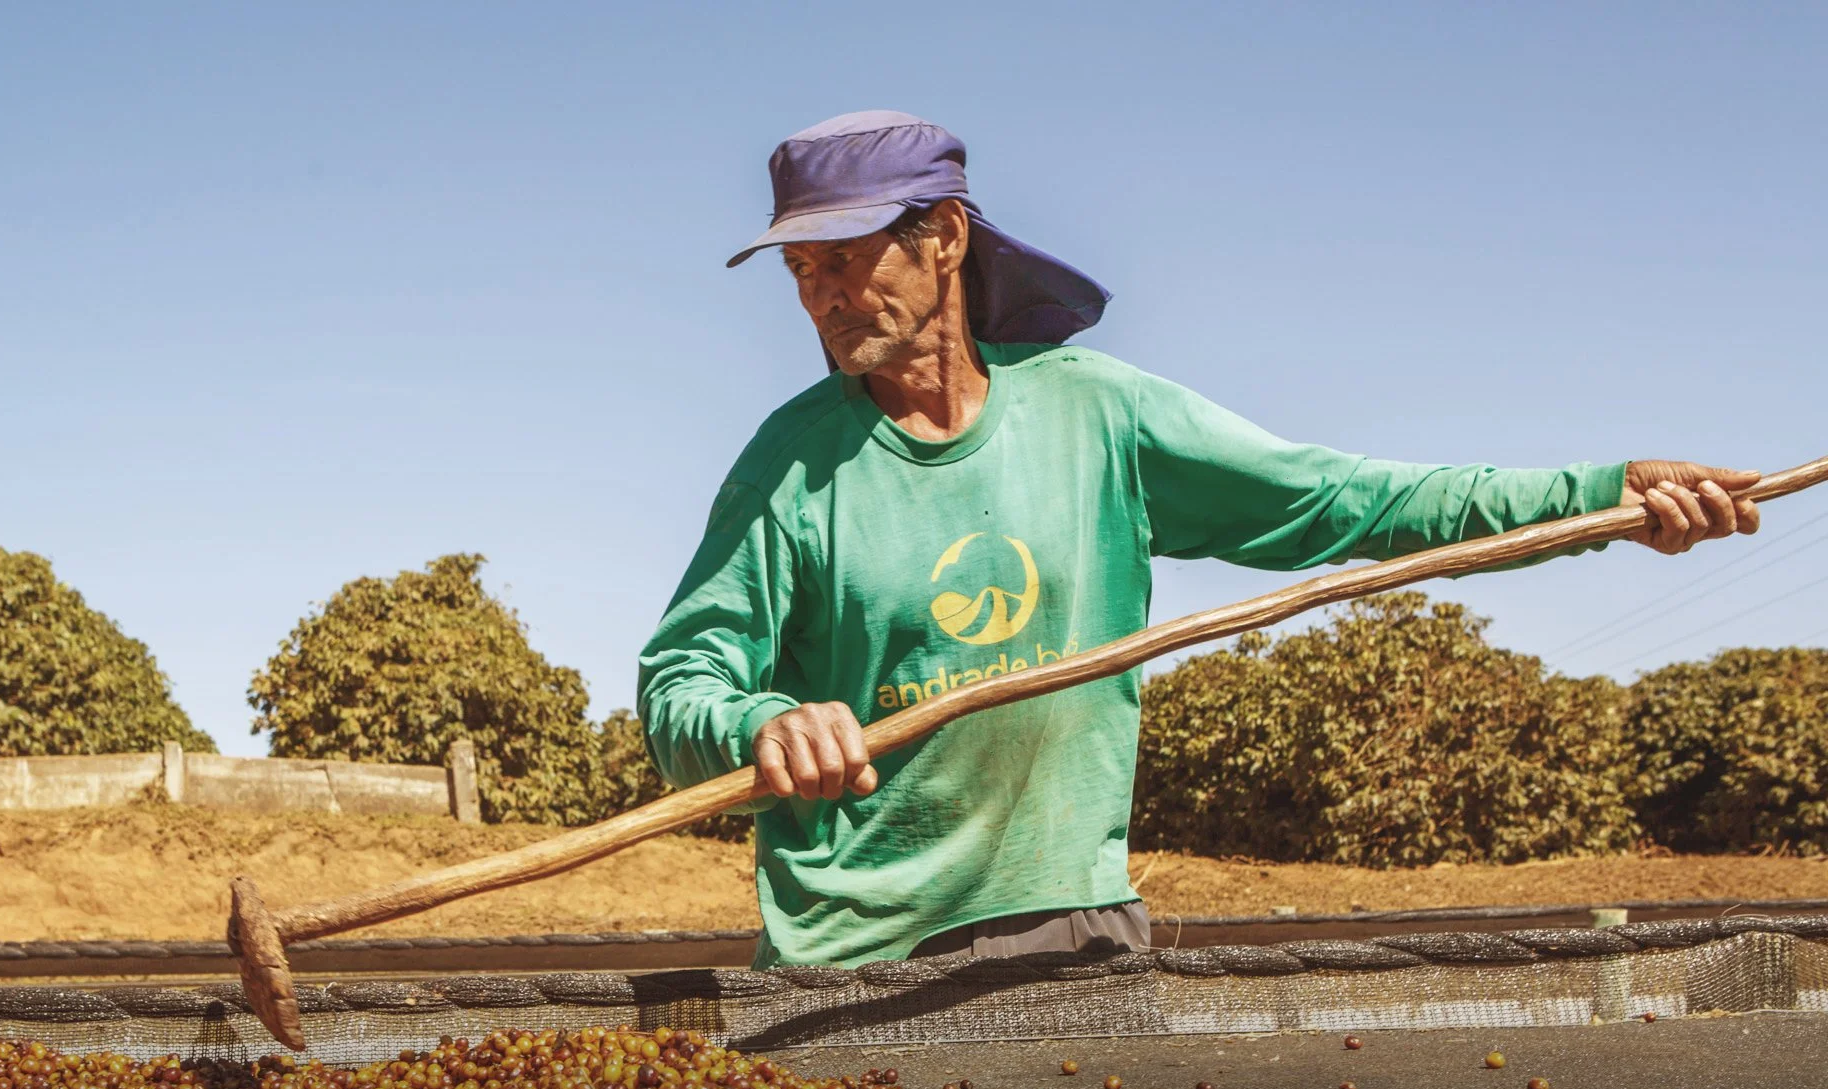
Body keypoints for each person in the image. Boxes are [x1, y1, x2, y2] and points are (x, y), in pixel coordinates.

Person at [637, 110, 1759, 970]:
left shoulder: (1100, 416)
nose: (820, 296)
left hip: (1065, 925)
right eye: (800, 271)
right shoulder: (786, 467)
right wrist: (762, 724)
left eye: (843, 258)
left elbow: (1355, 502)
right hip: (849, 957)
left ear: (941, 237)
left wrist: (1605, 497)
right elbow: (680, 684)